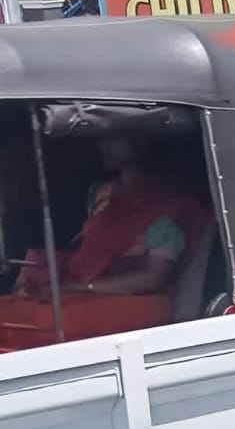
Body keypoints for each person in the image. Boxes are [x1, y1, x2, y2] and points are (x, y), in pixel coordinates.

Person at [0, 136, 204, 348]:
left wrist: (78, 288)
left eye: (114, 135)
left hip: (136, 304)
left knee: (28, 322)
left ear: (141, 140)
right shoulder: (108, 205)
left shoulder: (167, 208)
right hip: (88, 295)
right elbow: (88, 257)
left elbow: (153, 279)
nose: (103, 144)